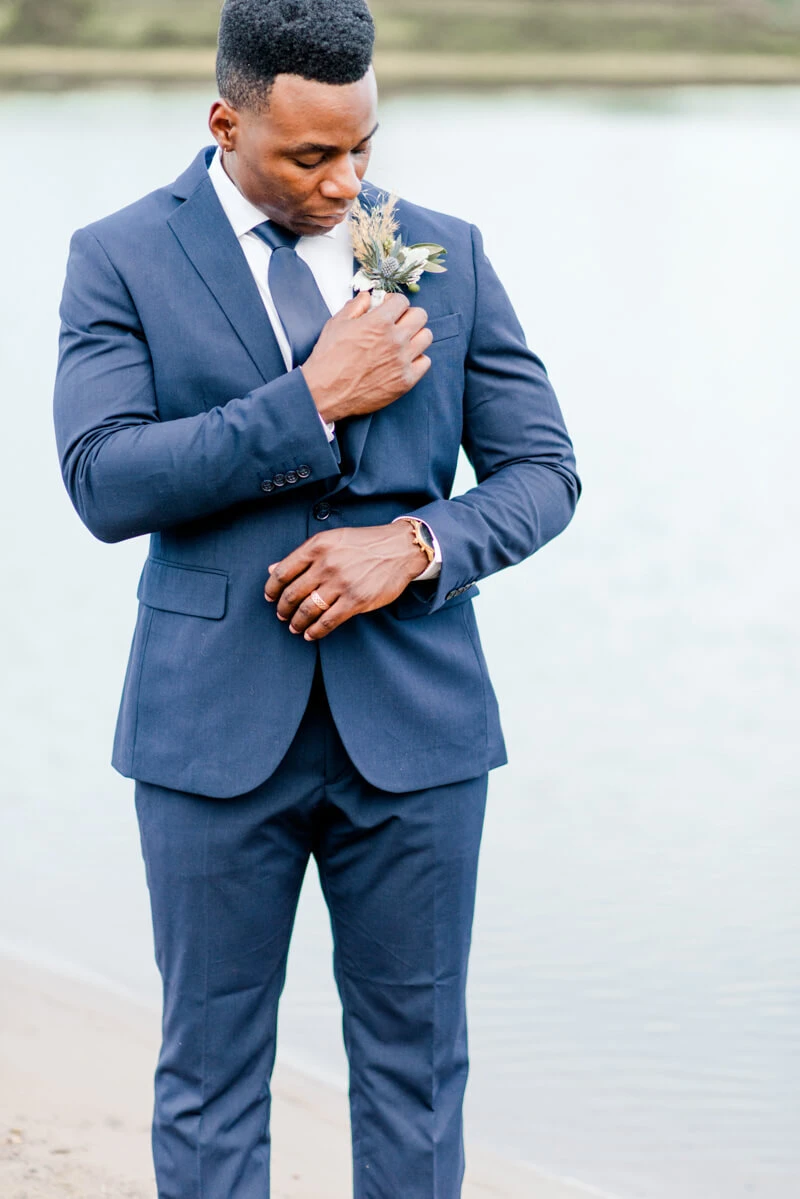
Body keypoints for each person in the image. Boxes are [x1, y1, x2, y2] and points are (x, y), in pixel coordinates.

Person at [53, 0, 580, 1194]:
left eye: (363, 149)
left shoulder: (445, 246)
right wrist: (311, 399)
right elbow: (103, 477)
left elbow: (544, 472)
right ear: (225, 121)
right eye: (310, 156)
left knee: (415, 1068)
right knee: (209, 1069)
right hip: (207, 727)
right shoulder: (121, 252)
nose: (348, 185)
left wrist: (413, 542)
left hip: (419, 726)